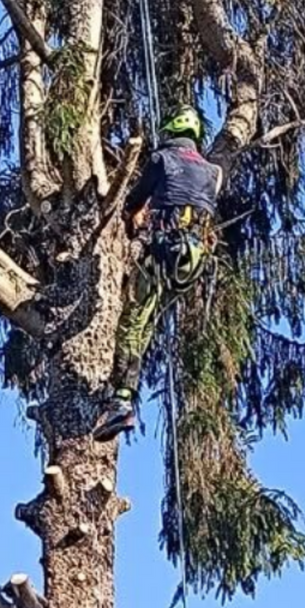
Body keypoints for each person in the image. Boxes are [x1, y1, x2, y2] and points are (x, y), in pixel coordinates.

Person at [93, 106, 224, 442]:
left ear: (169, 132)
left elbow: (133, 203)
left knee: (133, 322)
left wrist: (133, 221)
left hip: (162, 252)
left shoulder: (161, 159)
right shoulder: (212, 171)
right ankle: (123, 391)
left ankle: (121, 400)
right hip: (192, 261)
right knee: (146, 322)